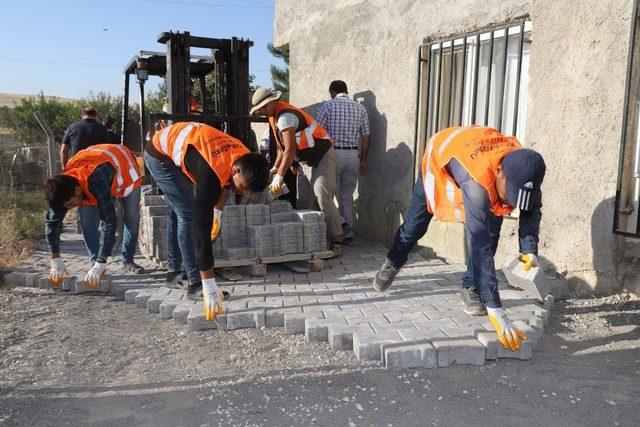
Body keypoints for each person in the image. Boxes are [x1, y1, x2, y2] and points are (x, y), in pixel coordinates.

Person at [373, 126, 546, 352]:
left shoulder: (526, 170)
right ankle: (394, 261)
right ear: (499, 172)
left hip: (476, 167)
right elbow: (478, 243)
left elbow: (531, 211)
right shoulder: (477, 181)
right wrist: (495, 307)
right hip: (439, 163)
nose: (510, 203)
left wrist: (529, 249)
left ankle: (470, 285)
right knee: (415, 226)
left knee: (493, 232)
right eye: (509, 194)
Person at [144, 122, 270, 320]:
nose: (244, 193)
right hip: (159, 155)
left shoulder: (245, 157)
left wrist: (217, 213)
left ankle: (173, 272)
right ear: (236, 171)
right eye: (244, 187)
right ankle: (196, 284)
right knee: (188, 215)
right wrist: (209, 285)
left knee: (177, 208)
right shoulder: (209, 174)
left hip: (184, 147)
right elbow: (200, 232)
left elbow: (227, 184)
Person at [250, 88, 344, 254]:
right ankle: (309, 239)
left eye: (263, 108)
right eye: (259, 110)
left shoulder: (286, 117)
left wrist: (279, 176)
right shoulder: (274, 116)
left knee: (322, 195)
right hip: (305, 159)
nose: (261, 112)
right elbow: (281, 149)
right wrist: (275, 168)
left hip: (322, 154)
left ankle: (337, 239)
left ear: (272, 103)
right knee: (304, 201)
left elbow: (290, 149)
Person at [45, 144, 145, 289]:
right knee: (87, 222)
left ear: (78, 190)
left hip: (127, 173)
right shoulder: (63, 186)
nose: (69, 209)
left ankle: (126, 261)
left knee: (131, 219)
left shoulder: (95, 180)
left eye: (71, 204)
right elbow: (52, 222)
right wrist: (55, 260)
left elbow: (109, 221)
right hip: (98, 170)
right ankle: (95, 264)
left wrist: (102, 260)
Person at [316, 80, 370, 244]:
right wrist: (364, 160)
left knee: (328, 194)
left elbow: (317, 131)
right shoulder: (360, 108)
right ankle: (348, 234)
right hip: (354, 155)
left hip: (334, 154)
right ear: (346, 90)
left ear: (332, 92)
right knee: (347, 197)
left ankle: (338, 228)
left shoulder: (328, 106)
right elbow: (366, 136)